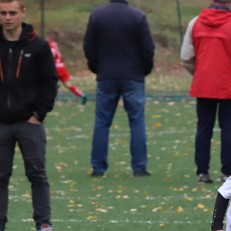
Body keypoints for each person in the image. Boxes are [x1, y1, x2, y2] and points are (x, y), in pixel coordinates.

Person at [0, 0, 58, 231]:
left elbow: (50, 82)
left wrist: (38, 115)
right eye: (3, 13)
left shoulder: (39, 46)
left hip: (29, 123)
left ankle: (44, 226)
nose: (8, 17)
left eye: (13, 12)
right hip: (1, 124)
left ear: (23, 13)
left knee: (37, 175)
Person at [181, 0, 231, 184]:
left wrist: (198, 72)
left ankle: (202, 171)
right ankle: (228, 171)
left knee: (204, 127)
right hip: (229, 83)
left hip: (204, 84)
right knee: (229, 125)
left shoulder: (195, 22)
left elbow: (186, 56)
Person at [83, 0, 155, 177]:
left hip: (106, 75)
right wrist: (143, 70)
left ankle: (98, 167)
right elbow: (147, 49)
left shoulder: (97, 15)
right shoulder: (138, 16)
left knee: (102, 122)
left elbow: (89, 47)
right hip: (133, 76)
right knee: (137, 121)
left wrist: (97, 67)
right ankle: (139, 167)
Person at [47, 31, 86, 104]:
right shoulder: (55, 45)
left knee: (45, 80)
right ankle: (81, 94)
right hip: (61, 67)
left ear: (50, 37)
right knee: (68, 84)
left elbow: (52, 54)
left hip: (55, 68)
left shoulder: (51, 45)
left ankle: (54, 86)